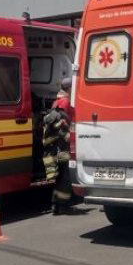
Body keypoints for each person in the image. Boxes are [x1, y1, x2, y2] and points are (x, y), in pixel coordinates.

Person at [43, 78, 79, 215]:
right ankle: (63, 206)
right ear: (69, 88)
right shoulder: (65, 103)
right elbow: (69, 123)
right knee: (65, 177)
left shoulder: (55, 102)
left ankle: (56, 204)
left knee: (59, 176)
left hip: (53, 147)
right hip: (62, 146)